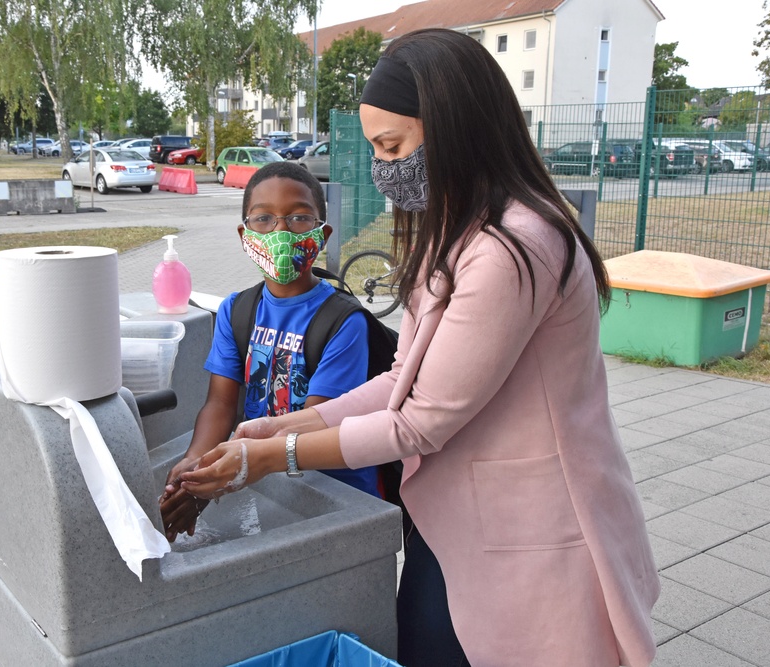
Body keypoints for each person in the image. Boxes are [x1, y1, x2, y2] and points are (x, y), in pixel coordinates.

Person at [176, 29, 659, 667]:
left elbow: (420, 420)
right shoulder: (456, 233)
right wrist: (276, 426)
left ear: (454, 128)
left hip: (534, 529)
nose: (382, 170)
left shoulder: (516, 247)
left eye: (392, 146)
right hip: (453, 519)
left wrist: (270, 457)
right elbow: (403, 376)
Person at [159, 161, 379, 541]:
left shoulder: (343, 321)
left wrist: (224, 474)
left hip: (335, 493)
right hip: (267, 477)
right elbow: (220, 404)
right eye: (263, 219)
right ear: (245, 235)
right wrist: (197, 463)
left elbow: (316, 424)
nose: (279, 231)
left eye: (298, 218)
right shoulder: (236, 310)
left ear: (322, 234)